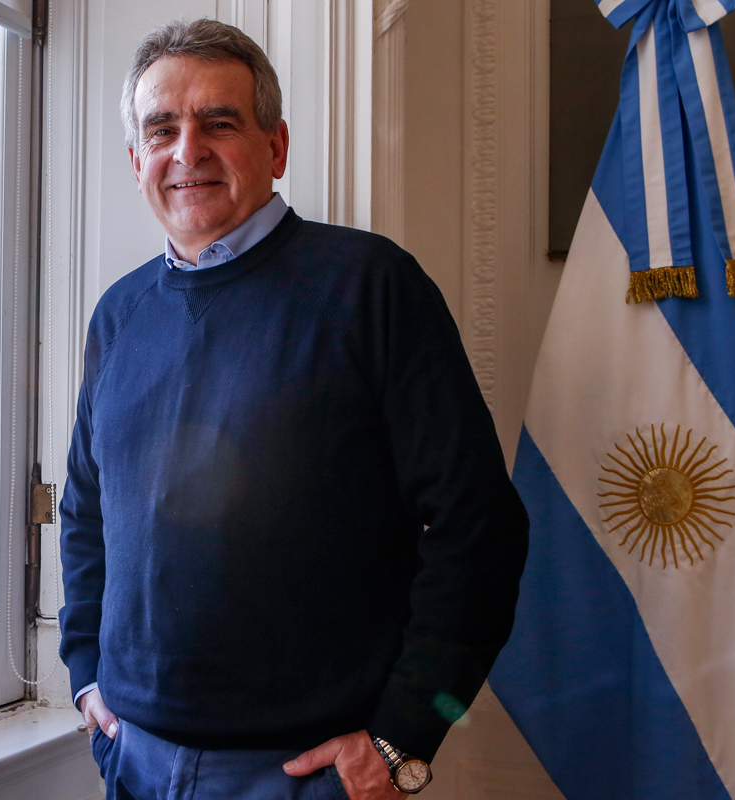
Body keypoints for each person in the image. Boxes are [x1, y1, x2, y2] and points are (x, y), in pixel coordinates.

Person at [58, 18, 529, 800]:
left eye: (219, 123)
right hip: (133, 760)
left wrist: (406, 734)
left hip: (304, 777)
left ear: (276, 147)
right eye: (162, 130)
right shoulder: (118, 314)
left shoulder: (372, 287)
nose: (188, 151)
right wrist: (84, 673)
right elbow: (85, 511)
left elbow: (480, 527)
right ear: (137, 160)